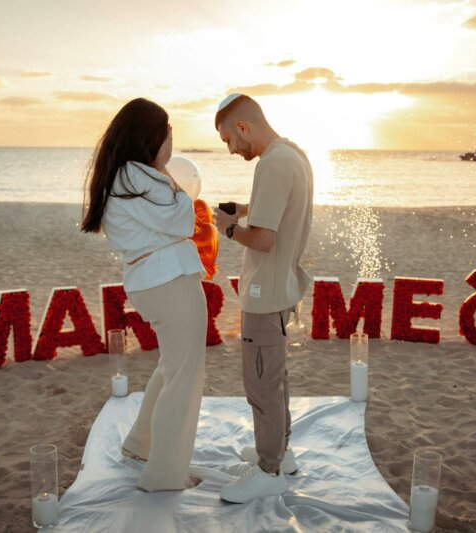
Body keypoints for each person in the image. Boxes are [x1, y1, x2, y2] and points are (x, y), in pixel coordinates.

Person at [81, 98, 207, 491]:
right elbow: (184, 219)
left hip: (153, 279)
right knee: (185, 377)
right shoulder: (139, 175)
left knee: (172, 367)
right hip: (168, 281)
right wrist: (171, 175)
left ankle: (141, 443)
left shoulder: (125, 174)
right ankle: (165, 474)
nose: (172, 140)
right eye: (168, 132)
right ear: (150, 137)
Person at [212, 93, 314, 503]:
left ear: (242, 127)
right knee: (275, 379)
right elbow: (279, 209)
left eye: (227, 140)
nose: (231, 150)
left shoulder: (272, 164)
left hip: (264, 293)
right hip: (280, 287)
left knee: (261, 385)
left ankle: (269, 469)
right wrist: (243, 209)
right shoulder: (293, 154)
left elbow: (265, 240)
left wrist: (228, 229)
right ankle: (278, 455)